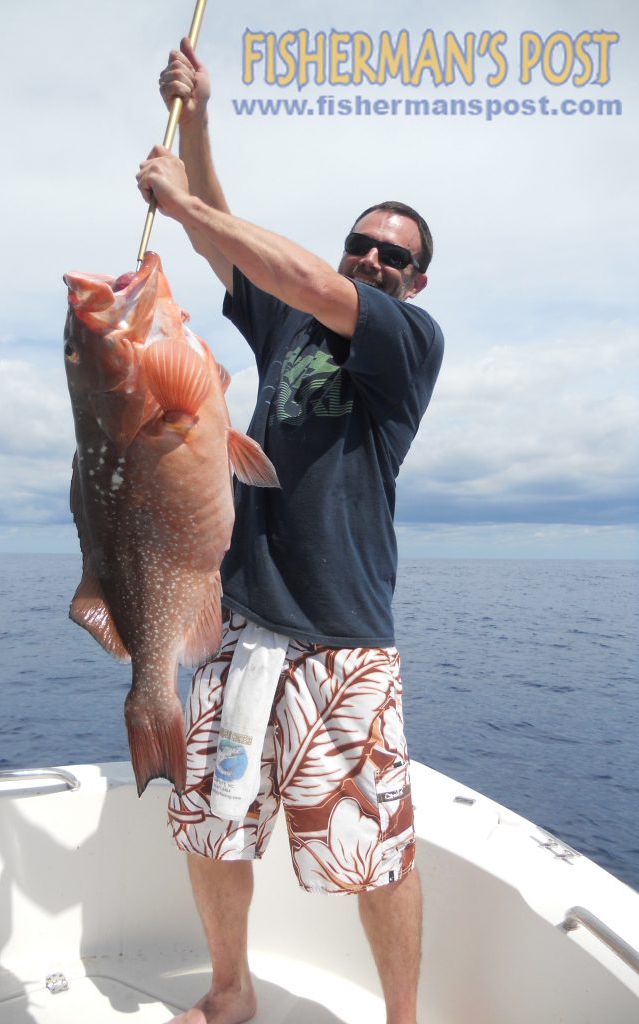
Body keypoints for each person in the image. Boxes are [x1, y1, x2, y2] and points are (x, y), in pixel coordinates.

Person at [136, 38, 444, 1024]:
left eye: (393, 254)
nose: (371, 259)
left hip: (344, 641)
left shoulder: (404, 339)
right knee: (210, 832)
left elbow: (304, 275)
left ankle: (402, 1018)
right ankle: (232, 992)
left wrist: (184, 200)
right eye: (362, 243)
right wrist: (200, 122)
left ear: (414, 280)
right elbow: (226, 249)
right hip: (243, 627)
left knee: (373, 850)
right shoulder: (293, 331)